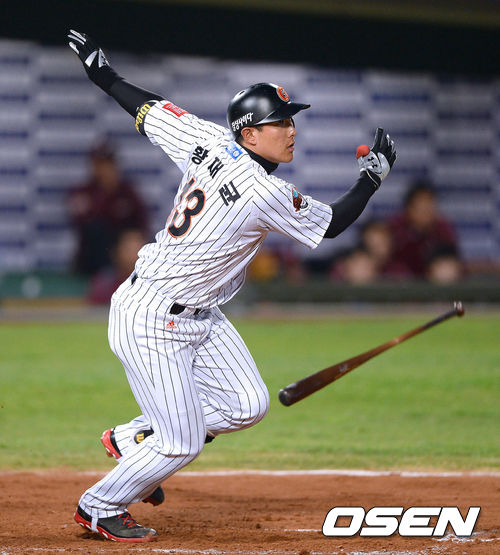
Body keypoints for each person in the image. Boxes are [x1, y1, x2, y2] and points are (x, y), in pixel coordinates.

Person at [67, 29, 396, 543]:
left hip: (198, 311)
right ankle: (99, 506)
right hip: (152, 315)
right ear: (250, 134)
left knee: (247, 405)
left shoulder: (207, 140)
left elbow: (147, 108)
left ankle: (133, 437)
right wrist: (370, 180)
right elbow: (331, 224)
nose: (291, 130)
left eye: (291, 120)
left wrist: (103, 74)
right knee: (180, 443)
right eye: (279, 122)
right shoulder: (261, 191)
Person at [68, 141, 149, 276]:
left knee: (131, 242)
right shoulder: (84, 193)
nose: (105, 169)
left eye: (108, 164)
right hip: (90, 263)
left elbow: (141, 227)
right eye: (100, 164)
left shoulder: (128, 194)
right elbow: (81, 223)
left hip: (123, 262)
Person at [387, 180, 459, 279]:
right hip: (401, 283)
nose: (426, 211)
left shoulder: (443, 229)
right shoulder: (395, 228)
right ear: (409, 208)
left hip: (435, 284)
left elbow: (453, 261)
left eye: (429, 205)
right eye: (421, 206)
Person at [87, 228, 147, 304]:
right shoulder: (104, 284)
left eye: (138, 250)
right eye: (129, 250)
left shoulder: (157, 282)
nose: (133, 257)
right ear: (116, 252)